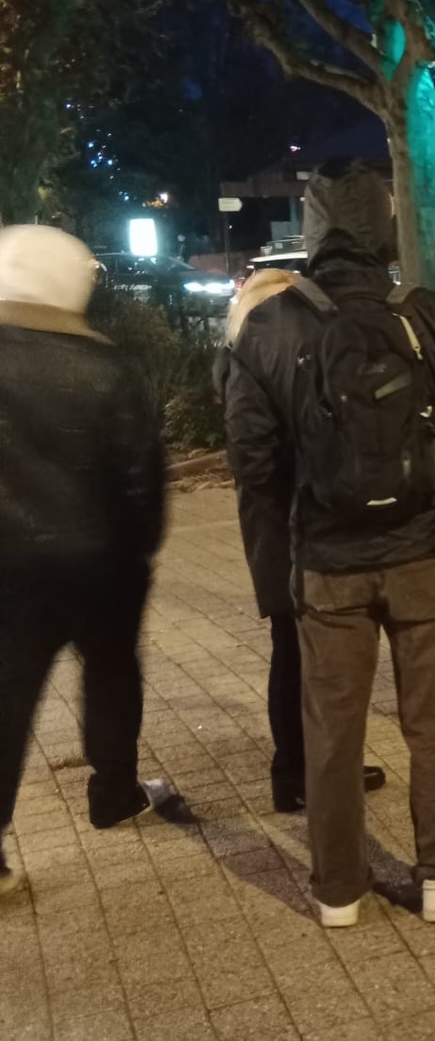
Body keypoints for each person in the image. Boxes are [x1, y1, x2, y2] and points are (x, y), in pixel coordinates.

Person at [224, 160, 435, 927]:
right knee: (433, 722)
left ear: (311, 229)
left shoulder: (269, 327)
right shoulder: (431, 314)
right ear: (385, 226)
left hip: (327, 565)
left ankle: (338, 888)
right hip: (420, 555)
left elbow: (250, 460)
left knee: (333, 727)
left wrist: (293, 531)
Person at [1, 225, 171, 895]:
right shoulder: (106, 365)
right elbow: (140, 473)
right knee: (111, 673)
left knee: (8, 694)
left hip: (8, 566)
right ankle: (115, 789)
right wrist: (142, 543)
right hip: (101, 561)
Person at [216, 269, 388, 813]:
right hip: (285, 533)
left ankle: (311, 767)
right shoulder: (253, 366)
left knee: (301, 655)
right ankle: (296, 773)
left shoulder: (249, 361)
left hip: (280, 532)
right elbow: (256, 461)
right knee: (296, 656)